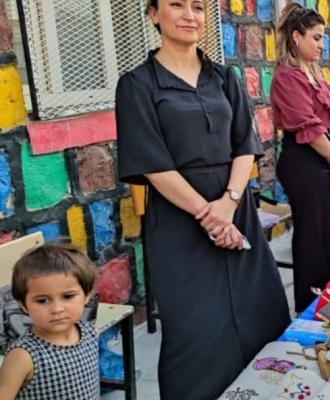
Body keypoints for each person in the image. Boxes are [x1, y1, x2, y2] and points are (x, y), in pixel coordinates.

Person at [115, 1, 291, 397]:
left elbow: (245, 143)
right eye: (176, 4)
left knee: (260, 311)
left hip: (235, 209)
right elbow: (153, 164)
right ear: (153, 13)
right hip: (180, 222)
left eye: (197, 6)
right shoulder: (137, 84)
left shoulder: (225, 78)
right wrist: (208, 216)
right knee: (195, 330)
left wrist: (228, 203)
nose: (189, 14)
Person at [272, 3, 330, 313]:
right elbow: (306, 125)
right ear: (297, 37)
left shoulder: (316, 73)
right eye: (316, 38)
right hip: (304, 161)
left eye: (323, 38)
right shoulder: (286, 77)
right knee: (314, 238)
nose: (322, 45)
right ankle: (311, 309)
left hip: (327, 156)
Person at [0, 245, 99, 399]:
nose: (57, 309)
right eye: (42, 300)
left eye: (68, 296)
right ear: (23, 305)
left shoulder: (89, 332)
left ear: (86, 295)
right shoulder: (23, 356)